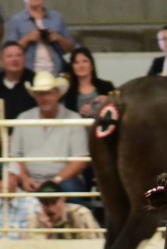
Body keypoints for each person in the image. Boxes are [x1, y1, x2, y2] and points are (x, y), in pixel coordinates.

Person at [9, 71, 90, 199]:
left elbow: (80, 161)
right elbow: (15, 156)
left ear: (57, 94)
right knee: (8, 185)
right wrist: (24, 179)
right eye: (40, 94)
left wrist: (56, 181)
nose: (44, 98)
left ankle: (71, 219)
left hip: (64, 180)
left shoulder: (74, 119)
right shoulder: (23, 118)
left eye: (48, 93)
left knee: (70, 187)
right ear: (35, 96)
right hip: (31, 180)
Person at [5, 0, 75, 75]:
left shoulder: (57, 18)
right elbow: (9, 52)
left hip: (56, 71)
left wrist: (58, 38)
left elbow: (71, 47)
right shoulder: (16, 21)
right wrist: (27, 39)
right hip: (28, 73)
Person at [63, 46, 115, 117]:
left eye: (85, 61)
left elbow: (118, 108)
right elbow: (67, 117)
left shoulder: (106, 86)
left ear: (92, 65)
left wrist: (108, 100)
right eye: (76, 62)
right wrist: (79, 115)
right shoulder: (68, 93)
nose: (81, 65)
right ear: (72, 67)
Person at [0, 40, 36, 122]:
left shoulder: (35, 81)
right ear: (1, 61)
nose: (15, 59)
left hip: (29, 131)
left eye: (19, 55)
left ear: (24, 59)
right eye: (9, 56)